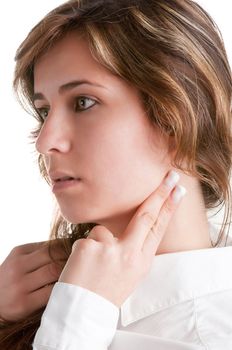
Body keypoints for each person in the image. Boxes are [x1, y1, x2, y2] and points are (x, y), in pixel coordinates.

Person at [0, 0, 232, 349]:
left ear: (178, 115)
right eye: (43, 111)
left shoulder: (209, 338)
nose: (46, 141)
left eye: (83, 102)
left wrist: (75, 321)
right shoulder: (27, 293)